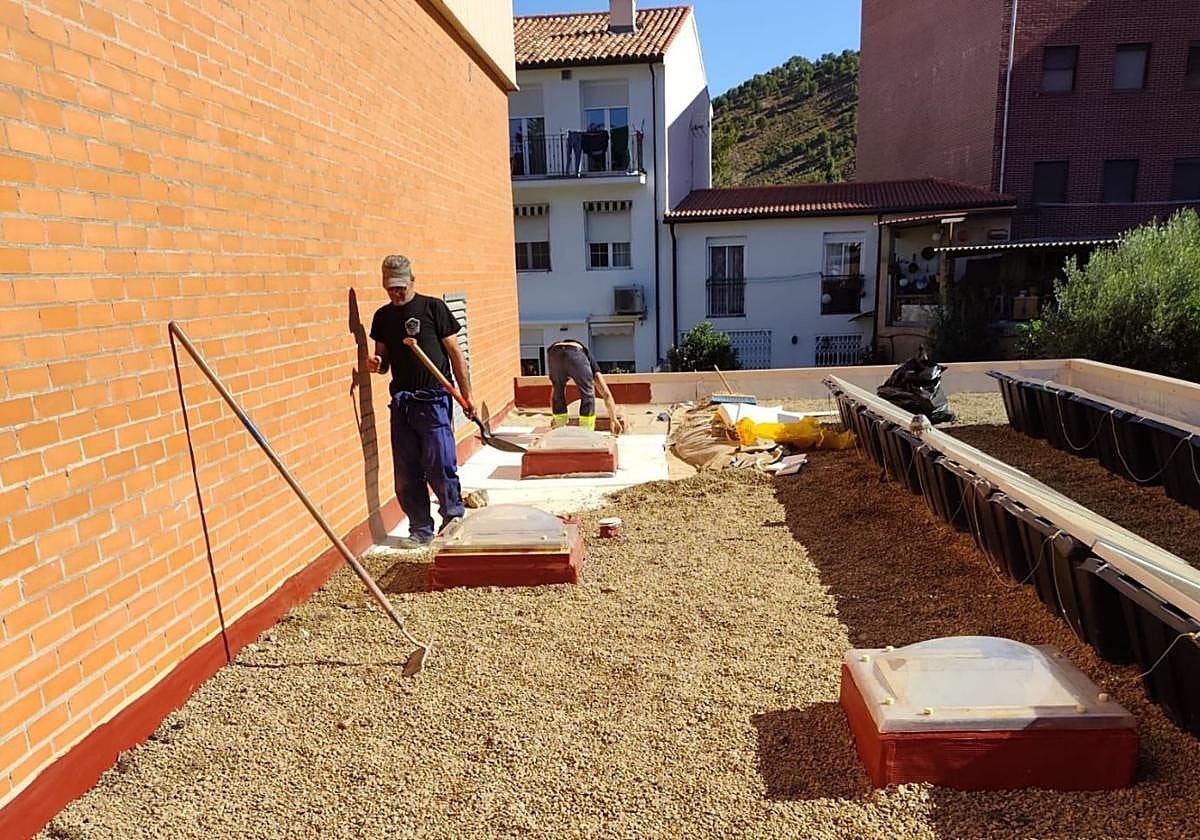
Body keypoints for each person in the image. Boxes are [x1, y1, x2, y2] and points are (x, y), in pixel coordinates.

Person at [368, 255, 473, 546]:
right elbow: (384, 360)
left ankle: (452, 517)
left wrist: (467, 395)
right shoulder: (383, 317)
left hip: (434, 397)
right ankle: (420, 529)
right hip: (402, 402)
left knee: (439, 461)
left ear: (413, 280)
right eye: (390, 288)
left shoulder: (433, 308)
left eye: (400, 287)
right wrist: (376, 363)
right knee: (407, 469)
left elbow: (455, 355)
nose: (396, 293)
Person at [546, 339, 623, 434]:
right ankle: (587, 430)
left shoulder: (575, 360)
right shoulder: (590, 362)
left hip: (554, 351)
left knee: (557, 390)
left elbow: (553, 395)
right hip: (575, 352)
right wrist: (613, 419)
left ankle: (558, 427)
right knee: (588, 393)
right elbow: (606, 394)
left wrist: (555, 416)